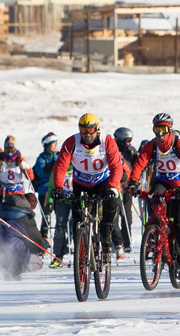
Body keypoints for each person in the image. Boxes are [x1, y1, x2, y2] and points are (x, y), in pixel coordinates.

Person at [50, 113, 125, 267]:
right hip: (81, 183)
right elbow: (60, 165)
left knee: (110, 206)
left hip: (103, 182)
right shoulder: (72, 142)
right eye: (83, 130)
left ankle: (106, 240)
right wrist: (58, 187)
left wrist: (112, 186)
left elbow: (116, 166)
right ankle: (81, 249)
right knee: (77, 219)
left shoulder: (107, 141)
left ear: (97, 130)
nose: (87, 134)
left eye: (90, 130)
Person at [128, 113, 180, 279]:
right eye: (156, 129)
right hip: (162, 182)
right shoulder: (152, 145)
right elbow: (140, 162)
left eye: (163, 129)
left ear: (170, 129)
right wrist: (133, 182)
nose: (160, 134)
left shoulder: (179, 143)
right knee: (154, 207)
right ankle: (155, 237)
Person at [113, 127, 139, 254]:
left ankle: (127, 242)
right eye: (127, 140)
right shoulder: (113, 150)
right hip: (115, 187)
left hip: (128, 187)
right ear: (119, 140)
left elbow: (137, 166)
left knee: (127, 217)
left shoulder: (132, 151)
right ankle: (116, 242)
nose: (129, 143)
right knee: (114, 216)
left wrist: (134, 183)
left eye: (130, 140)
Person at [32, 132, 59, 240]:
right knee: (46, 216)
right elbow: (42, 173)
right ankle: (43, 236)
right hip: (45, 190)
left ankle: (59, 237)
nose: (55, 146)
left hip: (57, 189)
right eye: (53, 144)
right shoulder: (41, 159)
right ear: (47, 145)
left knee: (60, 216)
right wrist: (52, 165)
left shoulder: (58, 156)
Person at [0, 136, 35, 203]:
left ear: (15, 149)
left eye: (11, 150)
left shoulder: (20, 160)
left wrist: (27, 168)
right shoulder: (0, 160)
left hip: (18, 192)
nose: (9, 153)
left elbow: (31, 177)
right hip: (3, 193)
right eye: (7, 150)